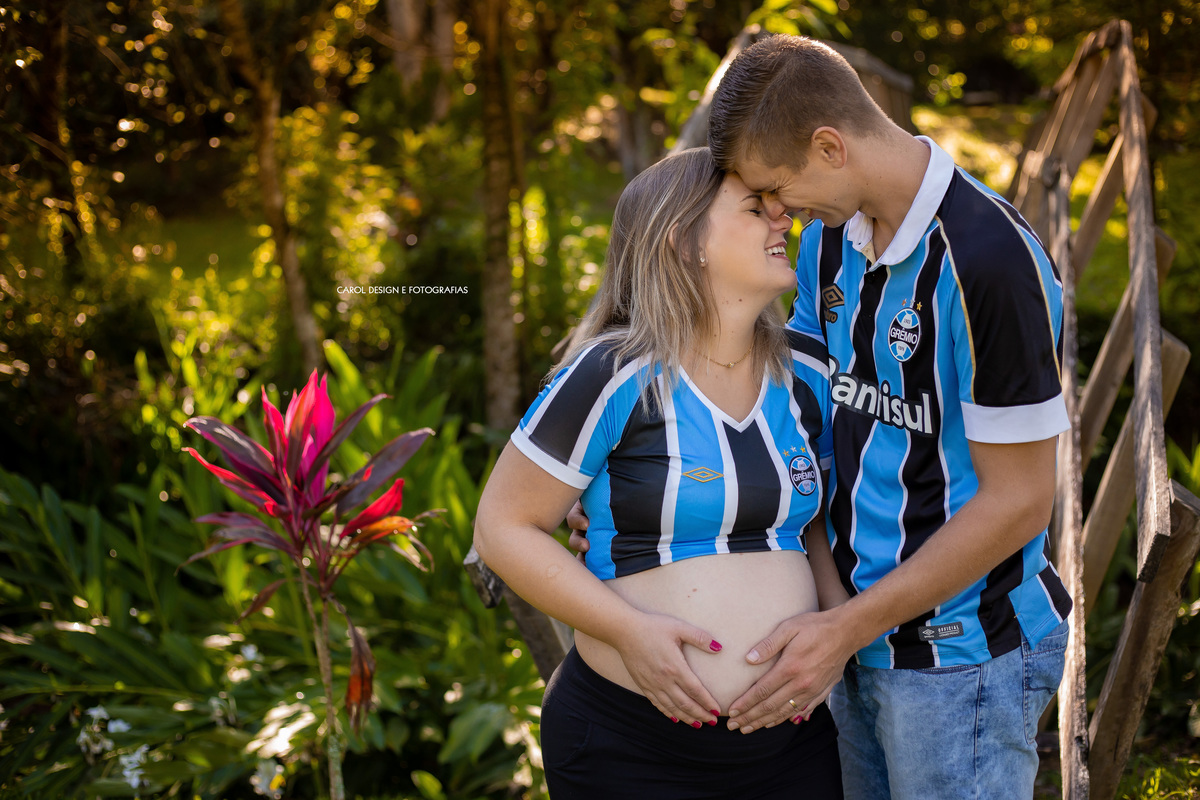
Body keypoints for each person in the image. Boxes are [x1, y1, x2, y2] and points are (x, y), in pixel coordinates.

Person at [572, 35, 1072, 799]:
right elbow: (792, 416)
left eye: (776, 187)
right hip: (843, 644)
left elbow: (1021, 500)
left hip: (958, 658)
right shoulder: (831, 244)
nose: (778, 213)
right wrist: (626, 492)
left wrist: (847, 627)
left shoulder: (991, 265)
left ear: (830, 147)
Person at [473, 146, 846, 799]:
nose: (782, 218)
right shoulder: (612, 373)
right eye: (755, 208)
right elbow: (503, 528)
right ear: (685, 241)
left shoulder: (811, 372)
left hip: (792, 745)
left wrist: (836, 634)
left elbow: (815, 525)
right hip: (630, 748)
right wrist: (629, 631)